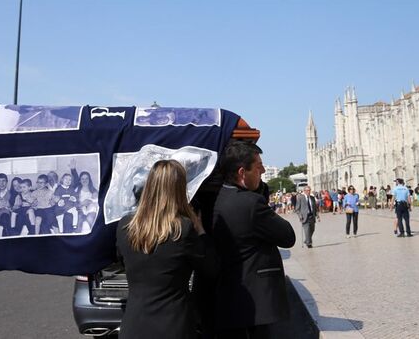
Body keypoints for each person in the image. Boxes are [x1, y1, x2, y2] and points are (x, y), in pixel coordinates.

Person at [116, 159, 218, 339]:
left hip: (134, 323)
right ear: (179, 190)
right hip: (173, 324)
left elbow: (121, 260)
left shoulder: (125, 226)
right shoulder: (183, 229)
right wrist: (201, 230)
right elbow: (211, 268)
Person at [212, 140, 296, 338]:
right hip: (255, 302)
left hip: (227, 296)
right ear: (242, 173)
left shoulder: (219, 198)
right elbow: (287, 236)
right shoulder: (251, 203)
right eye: (258, 168)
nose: (264, 171)